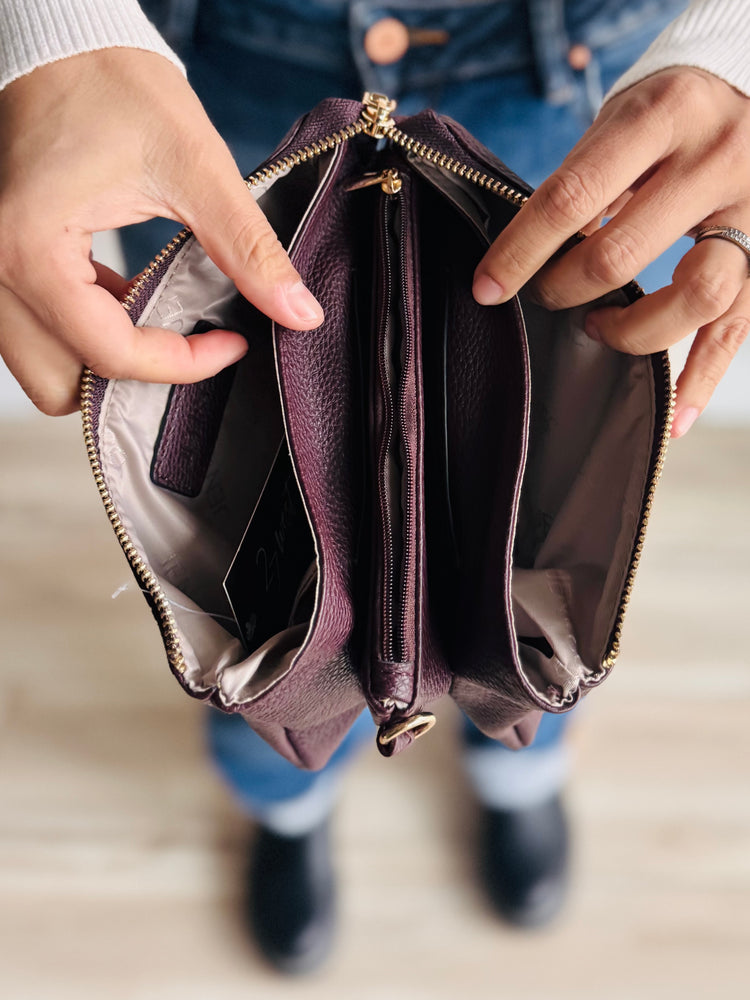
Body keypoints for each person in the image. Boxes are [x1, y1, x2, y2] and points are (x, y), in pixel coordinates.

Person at [1, 0, 749, 976]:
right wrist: (49, 28)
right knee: (249, 567)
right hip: (199, 71)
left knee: (542, 529)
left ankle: (512, 761)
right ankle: (289, 798)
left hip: (585, 72)